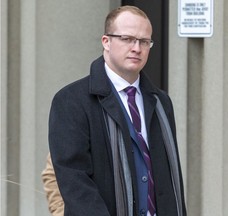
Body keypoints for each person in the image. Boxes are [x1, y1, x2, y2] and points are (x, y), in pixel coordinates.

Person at [47, 5, 186, 216]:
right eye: (127, 39)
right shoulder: (71, 101)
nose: (136, 48)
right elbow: (75, 181)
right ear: (106, 42)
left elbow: (168, 179)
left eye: (144, 41)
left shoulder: (161, 102)